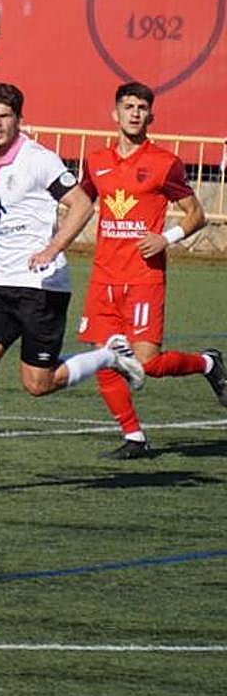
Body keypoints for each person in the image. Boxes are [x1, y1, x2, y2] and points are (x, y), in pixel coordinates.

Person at [0, 82, 145, 493]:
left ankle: (108, 356)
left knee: (37, 384)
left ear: (18, 119)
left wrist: (53, 247)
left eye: (4, 117)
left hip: (41, 287)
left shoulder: (38, 160)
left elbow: (83, 203)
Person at [76, 81, 227, 458]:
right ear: (115, 113)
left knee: (148, 363)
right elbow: (79, 203)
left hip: (144, 279)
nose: (134, 113)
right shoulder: (96, 161)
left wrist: (166, 238)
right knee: (104, 360)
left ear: (150, 116)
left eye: (141, 108)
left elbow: (197, 215)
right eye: (128, 107)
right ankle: (135, 438)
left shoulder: (164, 163)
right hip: (103, 278)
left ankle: (207, 363)